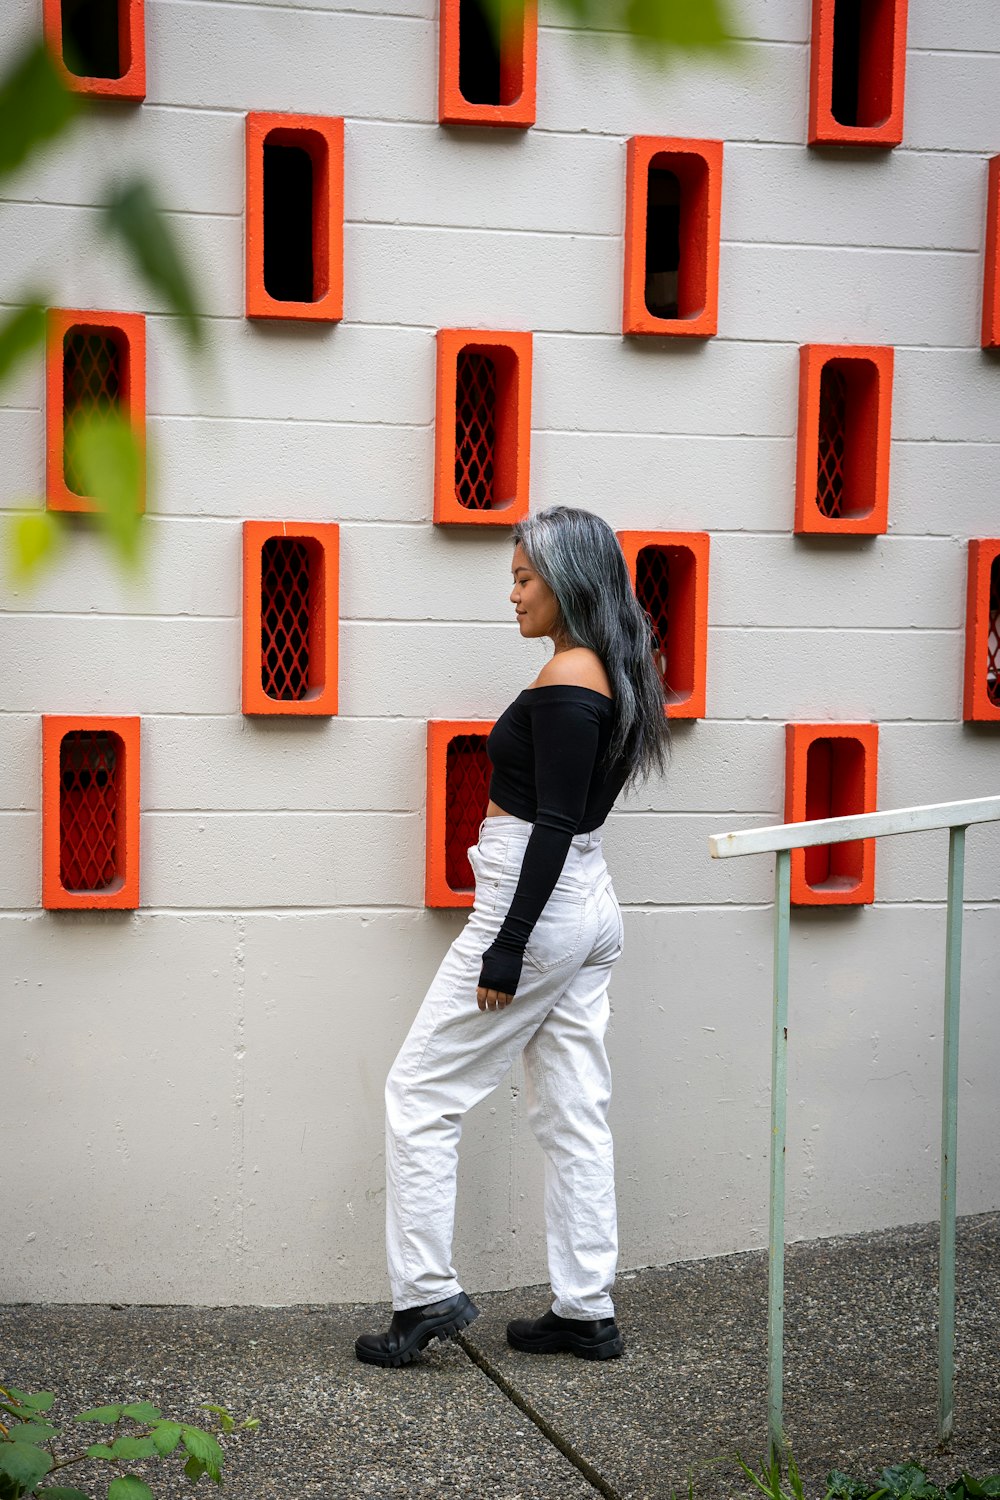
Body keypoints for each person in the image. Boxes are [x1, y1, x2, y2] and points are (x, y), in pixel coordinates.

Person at [355, 506, 670, 1368]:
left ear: (567, 582)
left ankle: (424, 1296)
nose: (513, 591)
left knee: (419, 1092)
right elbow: (575, 820)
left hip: (536, 909)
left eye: (525, 577)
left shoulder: (572, 675)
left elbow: (558, 820)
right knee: (572, 1109)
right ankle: (585, 1308)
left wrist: (507, 942)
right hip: (582, 906)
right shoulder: (616, 668)